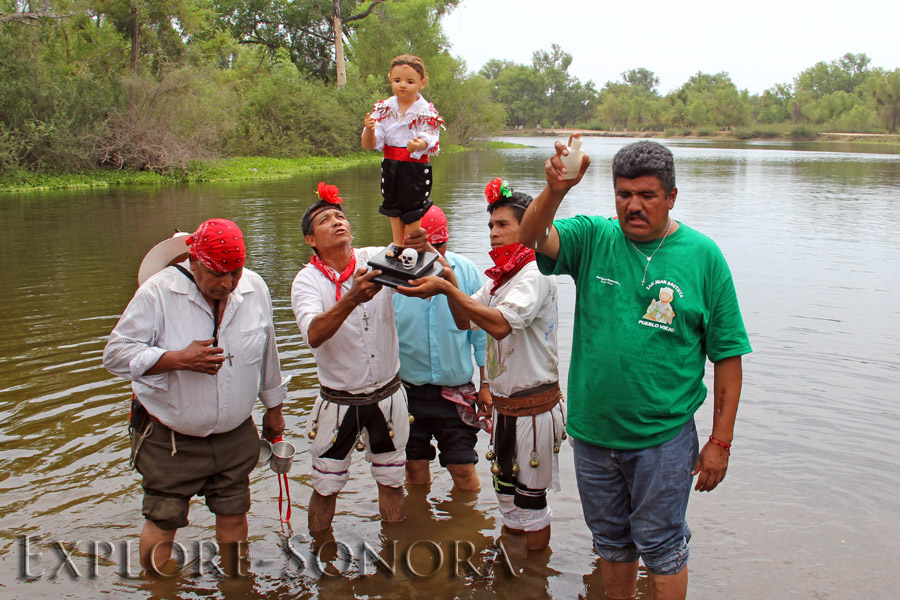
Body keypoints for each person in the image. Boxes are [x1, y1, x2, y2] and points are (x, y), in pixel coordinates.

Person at [519, 138, 752, 599]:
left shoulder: (703, 257)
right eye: (624, 194)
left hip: (662, 439)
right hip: (592, 434)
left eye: (647, 195)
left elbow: (727, 356)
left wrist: (720, 442)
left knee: (663, 547)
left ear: (671, 196)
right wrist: (556, 190)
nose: (634, 205)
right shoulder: (593, 237)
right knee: (611, 544)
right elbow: (529, 236)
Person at [103, 219, 287, 574]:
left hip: (235, 435)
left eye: (235, 272)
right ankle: (159, 588)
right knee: (164, 519)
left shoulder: (254, 288)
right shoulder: (158, 292)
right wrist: (175, 359)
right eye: (217, 274)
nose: (227, 284)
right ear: (193, 260)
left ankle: (236, 584)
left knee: (234, 514)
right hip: (171, 438)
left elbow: (268, 353)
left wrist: (274, 410)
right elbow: (114, 355)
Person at [398, 179, 565, 551]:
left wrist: (444, 288)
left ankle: (533, 580)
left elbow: (500, 325)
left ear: (530, 228)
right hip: (507, 411)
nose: (494, 233)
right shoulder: (500, 279)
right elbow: (463, 320)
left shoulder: (535, 273)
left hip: (533, 409)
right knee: (507, 503)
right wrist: (447, 274)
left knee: (531, 506)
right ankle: (513, 574)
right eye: (491, 225)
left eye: (503, 225)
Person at [291, 182, 428, 532]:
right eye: (325, 220)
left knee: (392, 481)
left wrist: (417, 245)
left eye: (341, 216)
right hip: (338, 401)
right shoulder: (306, 282)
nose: (338, 222)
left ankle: (396, 556)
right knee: (325, 487)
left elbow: (419, 279)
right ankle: (321, 562)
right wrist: (351, 298)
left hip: (387, 394)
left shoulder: (373, 259)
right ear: (311, 240)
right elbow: (314, 335)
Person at [393, 205, 488, 491]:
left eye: (440, 247)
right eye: (427, 249)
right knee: (414, 468)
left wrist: (486, 385)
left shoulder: (466, 271)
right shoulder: (393, 273)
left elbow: (480, 334)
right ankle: (419, 527)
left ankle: (465, 523)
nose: (435, 256)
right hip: (408, 390)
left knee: (463, 469)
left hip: (455, 391)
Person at [362, 54, 443, 258]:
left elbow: (432, 136)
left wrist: (420, 143)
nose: (402, 86)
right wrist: (370, 130)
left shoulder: (426, 111)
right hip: (391, 164)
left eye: (409, 81)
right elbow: (370, 144)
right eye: (397, 80)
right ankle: (397, 244)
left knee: (413, 206)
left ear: (422, 83)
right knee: (393, 205)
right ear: (390, 78)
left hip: (414, 166)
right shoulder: (384, 109)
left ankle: (414, 245)